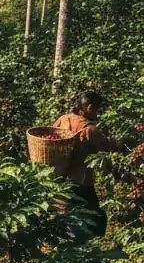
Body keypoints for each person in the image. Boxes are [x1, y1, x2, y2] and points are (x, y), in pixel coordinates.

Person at [53, 90, 124, 237]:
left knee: (66, 212)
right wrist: (124, 147)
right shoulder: (89, 129)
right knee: (93, 218)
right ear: (90, 107)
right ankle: (84, 249)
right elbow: (107, 146)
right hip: (81, 180)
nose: (98, 114)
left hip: (59, 177)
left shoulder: (64, 119)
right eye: (98, 110)